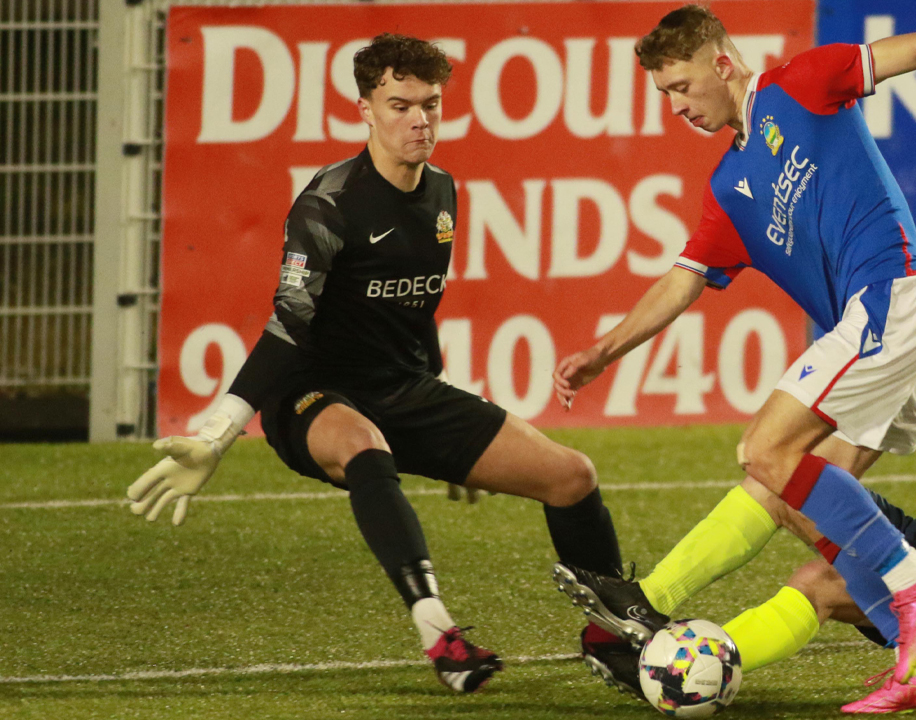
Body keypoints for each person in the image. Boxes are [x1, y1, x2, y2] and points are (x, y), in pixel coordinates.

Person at [552, 3, 916, 687]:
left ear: (721, 64)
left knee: (764, 448)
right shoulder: (729, 187)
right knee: (783, 489)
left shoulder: (801, 84)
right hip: (881, 320)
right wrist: (606, 350)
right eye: (664, 94)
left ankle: (914, 579)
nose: (676, 107)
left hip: (893, 296)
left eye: (679, 87)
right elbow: (682, 280)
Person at [126, 33, 629, 694]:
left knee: (571, 476)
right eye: (399, 105)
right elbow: (289, 323)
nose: (418, 120)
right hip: (311, 394)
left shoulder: (444, 192)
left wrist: (458, 432)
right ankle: (438, 631)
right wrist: (218, 434)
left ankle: (612, 635)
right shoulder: (328, 204)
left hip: (402, 386)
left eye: (430, 105)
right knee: (365, 445)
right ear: (364, 108)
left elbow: (417, 315)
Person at [558, 261, 916, 713]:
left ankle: (653, 613)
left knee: (787, 486)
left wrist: (897, 357)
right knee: (811, 553)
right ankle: (664, 654)